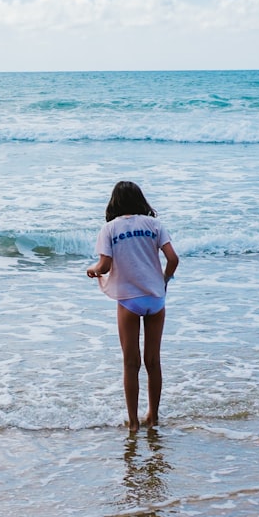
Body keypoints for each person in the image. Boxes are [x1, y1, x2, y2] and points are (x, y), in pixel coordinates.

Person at [87, 181, 179, 433]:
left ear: (114, 202)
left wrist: (91, 270)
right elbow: (173, 259)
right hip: (155, 298)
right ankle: (154, 416)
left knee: (131, 362)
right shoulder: (155, 225)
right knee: (153, 361)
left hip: (129, 300)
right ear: (140, 200)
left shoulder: (109, 229)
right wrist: (164, 280)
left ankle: (134, 423)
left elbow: (104, 267)